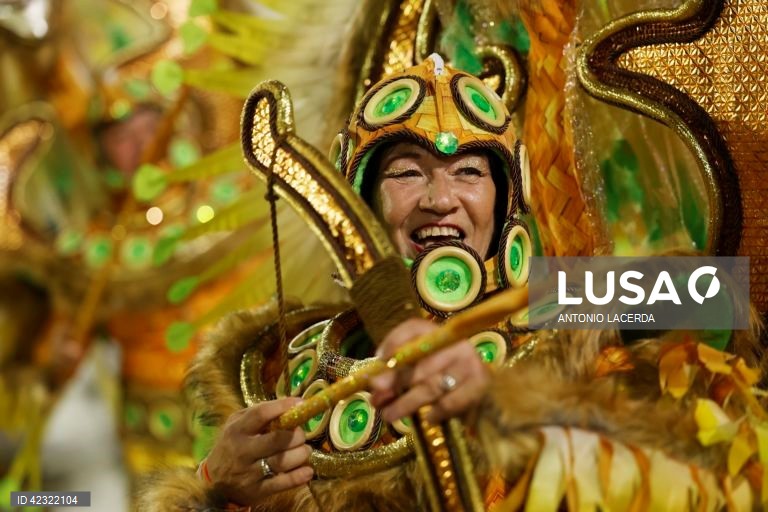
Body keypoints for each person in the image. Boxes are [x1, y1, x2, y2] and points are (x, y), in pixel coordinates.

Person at [138, 55, 767, 512]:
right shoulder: (287, 366)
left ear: (506, 196)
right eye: (407, 172)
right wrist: (212, 490)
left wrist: (501, 405)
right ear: (355, 200)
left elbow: (718, 295)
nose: (440, 199)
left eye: (469, 171)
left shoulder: (563, 307)